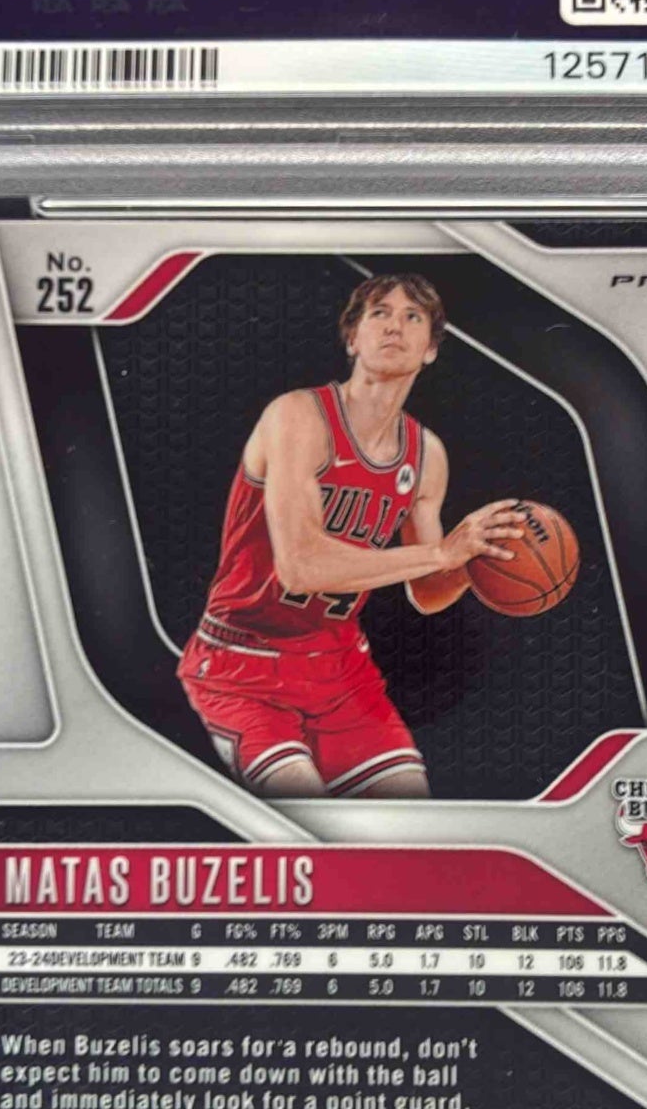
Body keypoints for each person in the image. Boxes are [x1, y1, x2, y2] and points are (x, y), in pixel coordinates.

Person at [177, 273, 524, 797]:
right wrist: (440, 552)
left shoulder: (426, 455)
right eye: (379, 313)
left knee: (412, 821)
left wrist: (483, 562)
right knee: (310, 817)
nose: (394, 326)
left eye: (413, 317)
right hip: (241, 663)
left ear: (431, 349)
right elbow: (300, 567)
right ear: (352, 339)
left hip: (339, 671)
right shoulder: (298, 416)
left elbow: (427, 592)